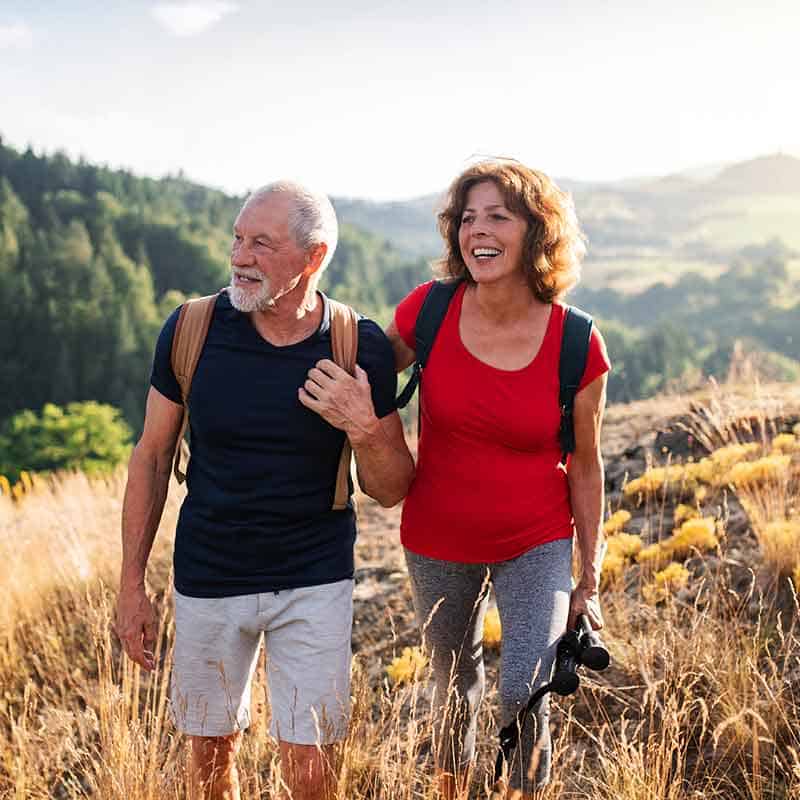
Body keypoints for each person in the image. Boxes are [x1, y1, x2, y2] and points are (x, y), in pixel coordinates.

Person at [115, 181, 414, 800]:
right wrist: (130, 584)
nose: (239, 256)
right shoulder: (192, 328)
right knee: (209, 765)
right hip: (208, 576)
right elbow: (150, 457)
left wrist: (362, 423)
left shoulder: (358, 345)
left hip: (314, 578)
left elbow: (390, 489)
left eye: (261, 243)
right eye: (237, 238)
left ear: (314, 257)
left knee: (311, 775)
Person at [384, 160, 610, 799]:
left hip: (535, 538)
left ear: (537, 233)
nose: (476, 230)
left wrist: (587, 575)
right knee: (453, 688)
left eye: (497, 216)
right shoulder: (428, 311)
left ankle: (524, 794)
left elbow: (586, 462)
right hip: (436, 535)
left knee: (524, 688)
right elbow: (363, 379)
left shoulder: (577, 343)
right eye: (466, 217)